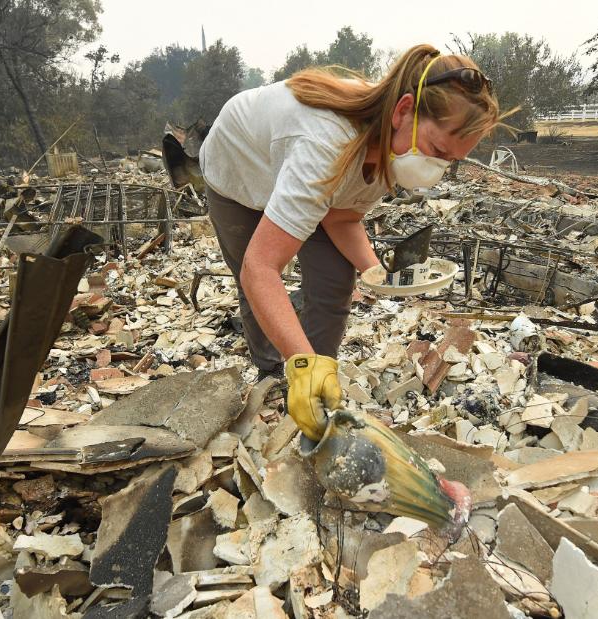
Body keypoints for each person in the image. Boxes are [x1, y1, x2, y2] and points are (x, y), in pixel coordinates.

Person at [199, 43, 502, 439]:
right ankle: (277, 370)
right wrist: (297, 359)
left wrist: (374, 270)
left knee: (334, 277)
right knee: (254, 277)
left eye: (450, 160)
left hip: (300, 169)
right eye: (437, 151)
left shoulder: (390, 145)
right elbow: (261, 269)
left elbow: (341, 215)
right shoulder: (327, 144)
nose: (438, 168)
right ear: (403, 111)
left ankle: (318, 380)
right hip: (239, 171)